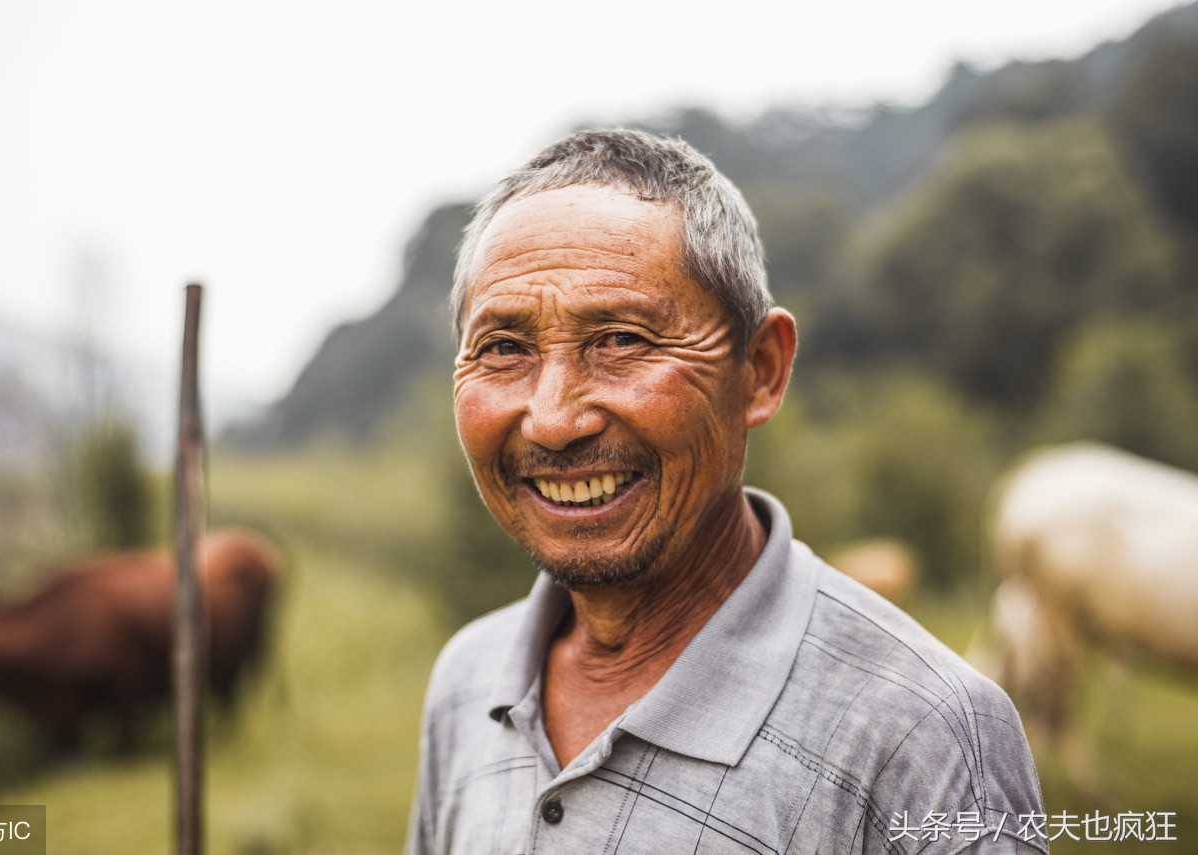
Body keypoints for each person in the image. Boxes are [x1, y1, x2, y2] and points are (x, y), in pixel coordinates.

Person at [407, 129, 1046, 854]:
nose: (554, 420)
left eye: (620, 339)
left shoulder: (927, 734)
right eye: (504, 348)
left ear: (761, 371)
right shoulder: (469, 679)